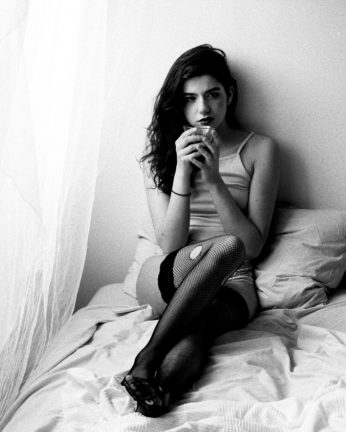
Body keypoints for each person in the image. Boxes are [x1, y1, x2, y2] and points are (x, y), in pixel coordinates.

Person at [121, 44, 279, 417]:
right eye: (190, 99)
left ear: (230, 94)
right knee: (225, 248)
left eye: (213, 94)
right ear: (178, 104)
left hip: (233, 282)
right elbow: (169, 244)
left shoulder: (260, 149)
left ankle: (157, 396)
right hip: (171, 270)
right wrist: (182, 170)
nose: (203, 108)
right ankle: (147, 358)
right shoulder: (159, 156)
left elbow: (252, 247)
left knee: (201, 325)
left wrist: (214, 180)